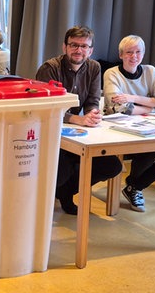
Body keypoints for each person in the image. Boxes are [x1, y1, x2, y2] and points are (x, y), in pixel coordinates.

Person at [35, 25, 122, 215]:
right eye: (74, 45)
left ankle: (66, 192)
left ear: (90, 50)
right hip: (48, 131)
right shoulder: (50, 68)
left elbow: (92, 100)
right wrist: (77, 119)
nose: (78, 50)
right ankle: (42, 205)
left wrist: (92, 114)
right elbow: (45, 108)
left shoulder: (94, 67)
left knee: (112, 165)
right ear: (64, 47)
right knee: (63, 168)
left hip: (76, 132)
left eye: (84, 46)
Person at [103, 35, 155, 212]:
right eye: (129, 52)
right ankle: (135, 187)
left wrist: (133, 98)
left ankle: (134, 186)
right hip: (118, 130)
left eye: (138, 52)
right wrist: (151, 105)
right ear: (121, 54)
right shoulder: (112, 73)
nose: (134, 56)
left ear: (143, 53)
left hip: (148, 126)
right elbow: (118, 108)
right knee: (149, 148)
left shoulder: (150, 71)